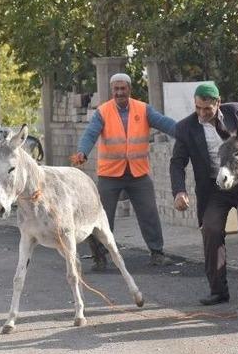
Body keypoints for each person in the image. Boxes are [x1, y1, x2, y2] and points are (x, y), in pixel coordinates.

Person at [170, 82, 238, 306]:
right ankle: (218, 290)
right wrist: (179, 191)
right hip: (214, 188)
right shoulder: (185, 128)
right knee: (211, 229)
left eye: (207, 109)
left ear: (218, 103)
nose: (202, 113)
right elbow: (177, 163)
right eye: (198, 108)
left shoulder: (236, 111)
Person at [71, 73, 176, 270]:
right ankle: (100, 258)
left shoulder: (143, 109)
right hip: (110, 174)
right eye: (116, 89)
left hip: (138, 173)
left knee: (149, 213)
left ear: (129, 89)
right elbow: (90, 134)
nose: (120, 92)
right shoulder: (103, 112)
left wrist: (187, 133)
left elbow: (165, 124)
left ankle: (157, 253)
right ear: (112, 91)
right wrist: (82, 152)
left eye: (123, 88)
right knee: (100, 216)